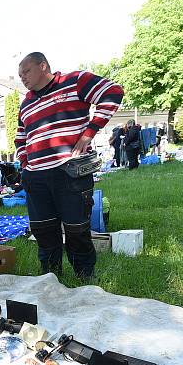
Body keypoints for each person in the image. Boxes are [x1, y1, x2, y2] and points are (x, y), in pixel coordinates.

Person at [15, 52, 123, 280]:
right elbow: (20, 137)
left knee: (77, 229)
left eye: (26, 71)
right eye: (20, 74)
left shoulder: (75, 81)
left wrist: (89, 133)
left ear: (43, 66)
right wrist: (26, 164)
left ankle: (85, 278)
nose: (22, 78)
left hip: (69, 171)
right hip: (36, 177)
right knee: (43, 231)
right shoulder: (25, 103)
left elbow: (113, 92)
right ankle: (50, 279)